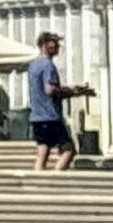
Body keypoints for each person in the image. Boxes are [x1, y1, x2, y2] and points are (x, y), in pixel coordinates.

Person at [27, 32, 72, 171]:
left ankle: (38, 180)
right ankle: (56, 177)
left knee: (42, 152)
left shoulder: (33, 65)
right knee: (68, 149)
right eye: (55, 43)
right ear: (45, 45)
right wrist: (70, 92)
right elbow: (49, 90)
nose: (58, 46)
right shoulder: (48, 65)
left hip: (36, 117)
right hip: (50, 116)